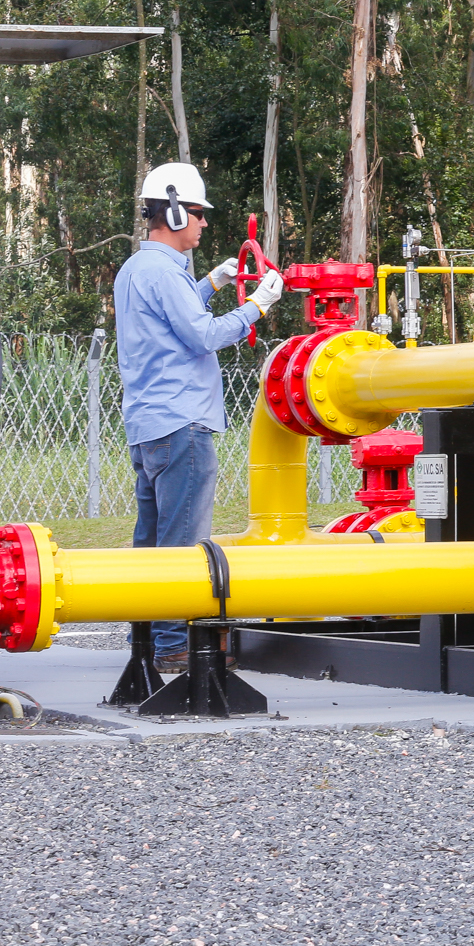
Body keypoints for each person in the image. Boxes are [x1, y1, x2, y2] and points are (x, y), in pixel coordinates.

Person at [112, 161, 284, 671]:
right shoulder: (164, 273)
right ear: (172, 210)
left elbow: (169, 319)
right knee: (182, 540)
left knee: (151, 538)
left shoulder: (137, 270)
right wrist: (257, 305)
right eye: (198, 214)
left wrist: (210, 282)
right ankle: (172, 648)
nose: (205, 223)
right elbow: (203, 335)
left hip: (148, 425)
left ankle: (144, 637)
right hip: (181, 423)